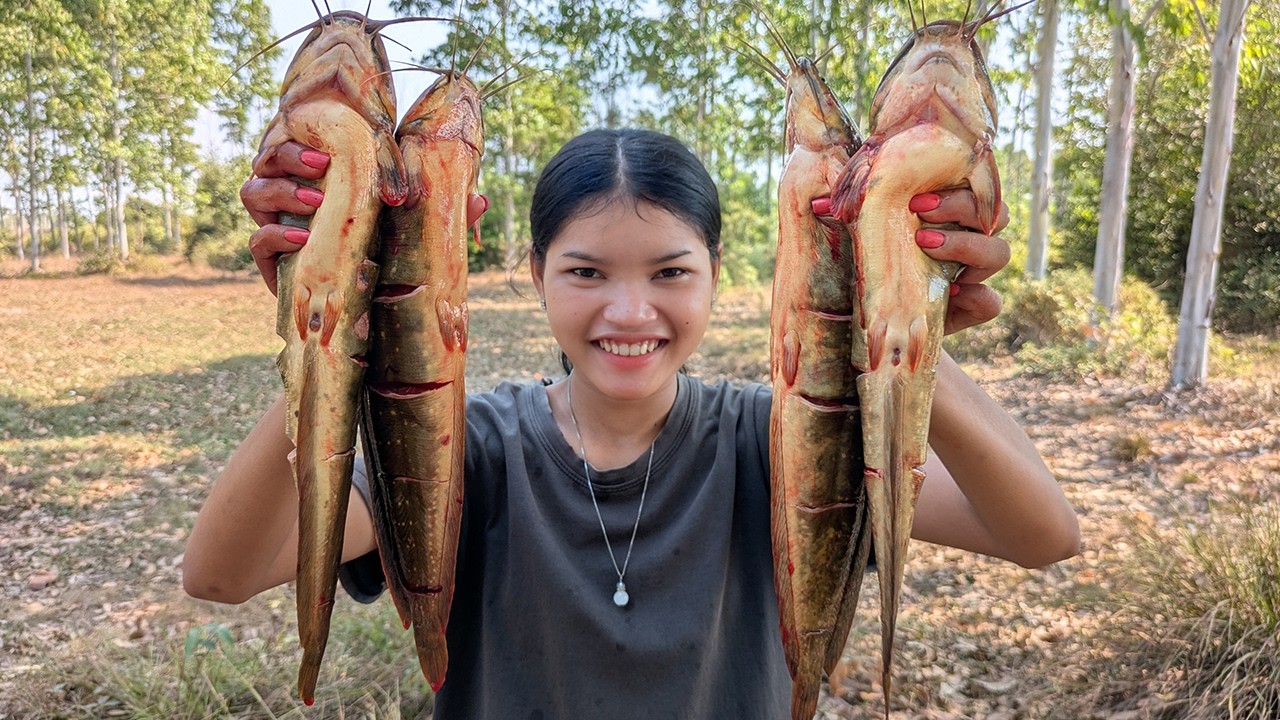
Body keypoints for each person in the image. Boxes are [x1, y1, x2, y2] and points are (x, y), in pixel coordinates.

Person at [184, 128, 1080, 718]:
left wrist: (906, 328)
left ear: (718, 275)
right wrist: (327, 327)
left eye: (668, 272)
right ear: (534, 274)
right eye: (584, 272)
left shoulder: (786, 444)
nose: (628, 310)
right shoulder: (466, 448)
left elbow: (1041, 534)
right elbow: (223, 575)